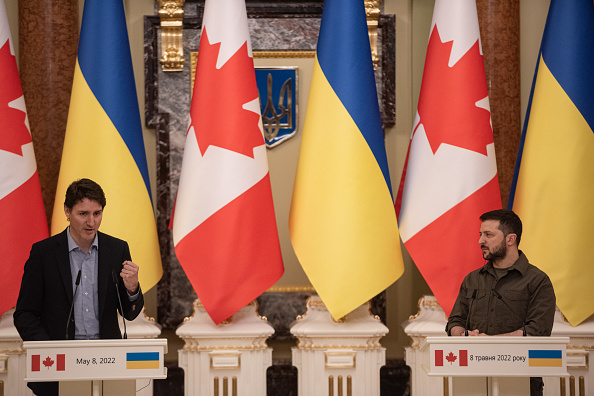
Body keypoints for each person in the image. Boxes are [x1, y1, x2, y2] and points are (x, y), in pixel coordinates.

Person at [14, 178, 144, 396]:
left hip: (107, 363)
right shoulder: (43, 254)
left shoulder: (117, 249)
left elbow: (129, 314)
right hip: (59, 365)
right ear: (67, 211)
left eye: (97, 213)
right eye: (83, 213)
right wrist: (50, 351)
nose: (91, 222)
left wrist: (132, 290)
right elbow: (25, 314)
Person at [446, 209, 556, 396]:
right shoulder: (472, 279)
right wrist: (464, 335)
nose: (481, 241)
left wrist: (490, 342)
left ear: (510, 239)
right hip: (472, 377)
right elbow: (454, 322)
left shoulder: (538, 281)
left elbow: (538, 332)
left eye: (488, 235)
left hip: (522, 378)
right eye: (480, 234)